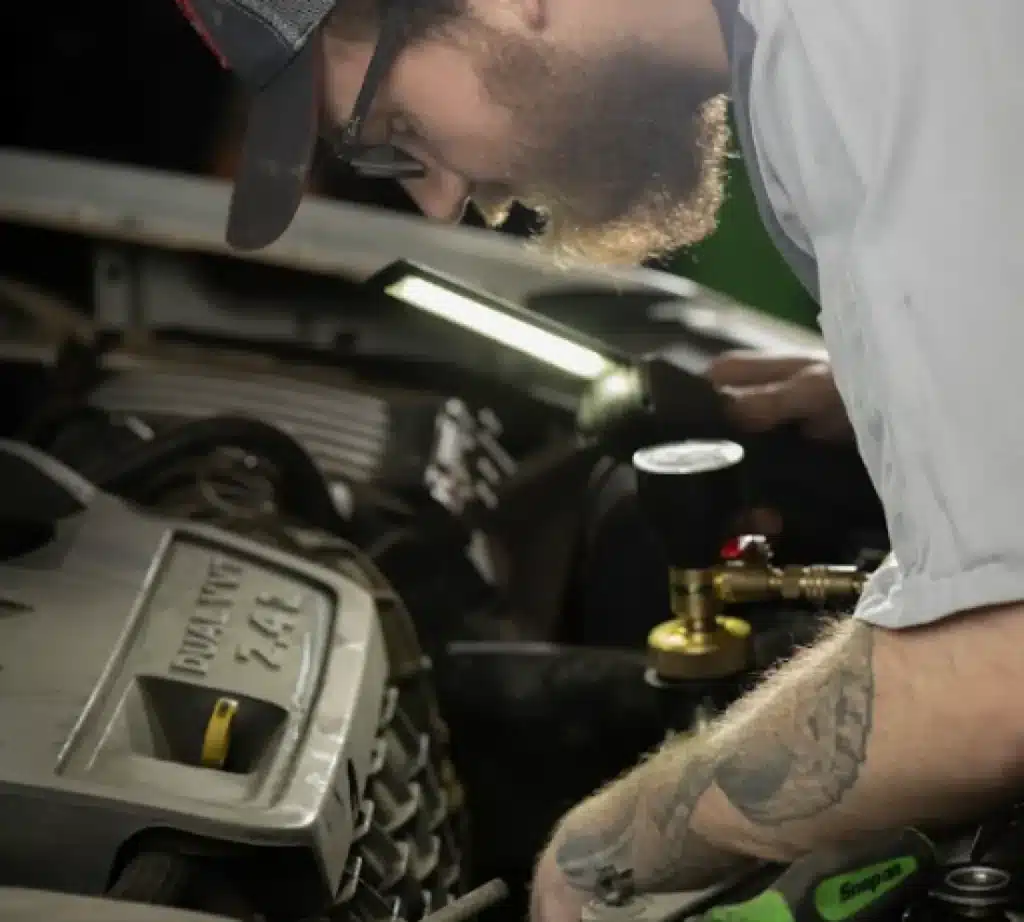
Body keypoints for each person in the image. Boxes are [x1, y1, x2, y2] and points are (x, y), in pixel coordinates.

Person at [172, 0, 1024, 919]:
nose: (441, 201)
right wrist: (900, 383)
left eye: (400, 135)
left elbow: (997, 670)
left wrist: (612, 848)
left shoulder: (862, 65)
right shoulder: (824, 53)